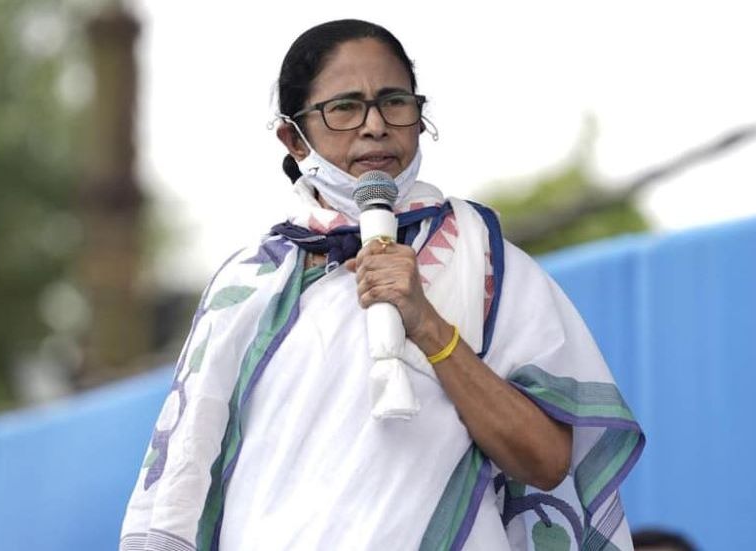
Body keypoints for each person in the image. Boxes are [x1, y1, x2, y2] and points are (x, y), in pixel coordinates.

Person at [120, 19, 644, 551]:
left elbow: (547, 462)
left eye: (394, 102)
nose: (375, 126)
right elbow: (185, 474)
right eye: (345, 108)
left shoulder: (486, 261)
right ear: (293, 138)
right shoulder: (246, 286)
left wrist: (429, 326)